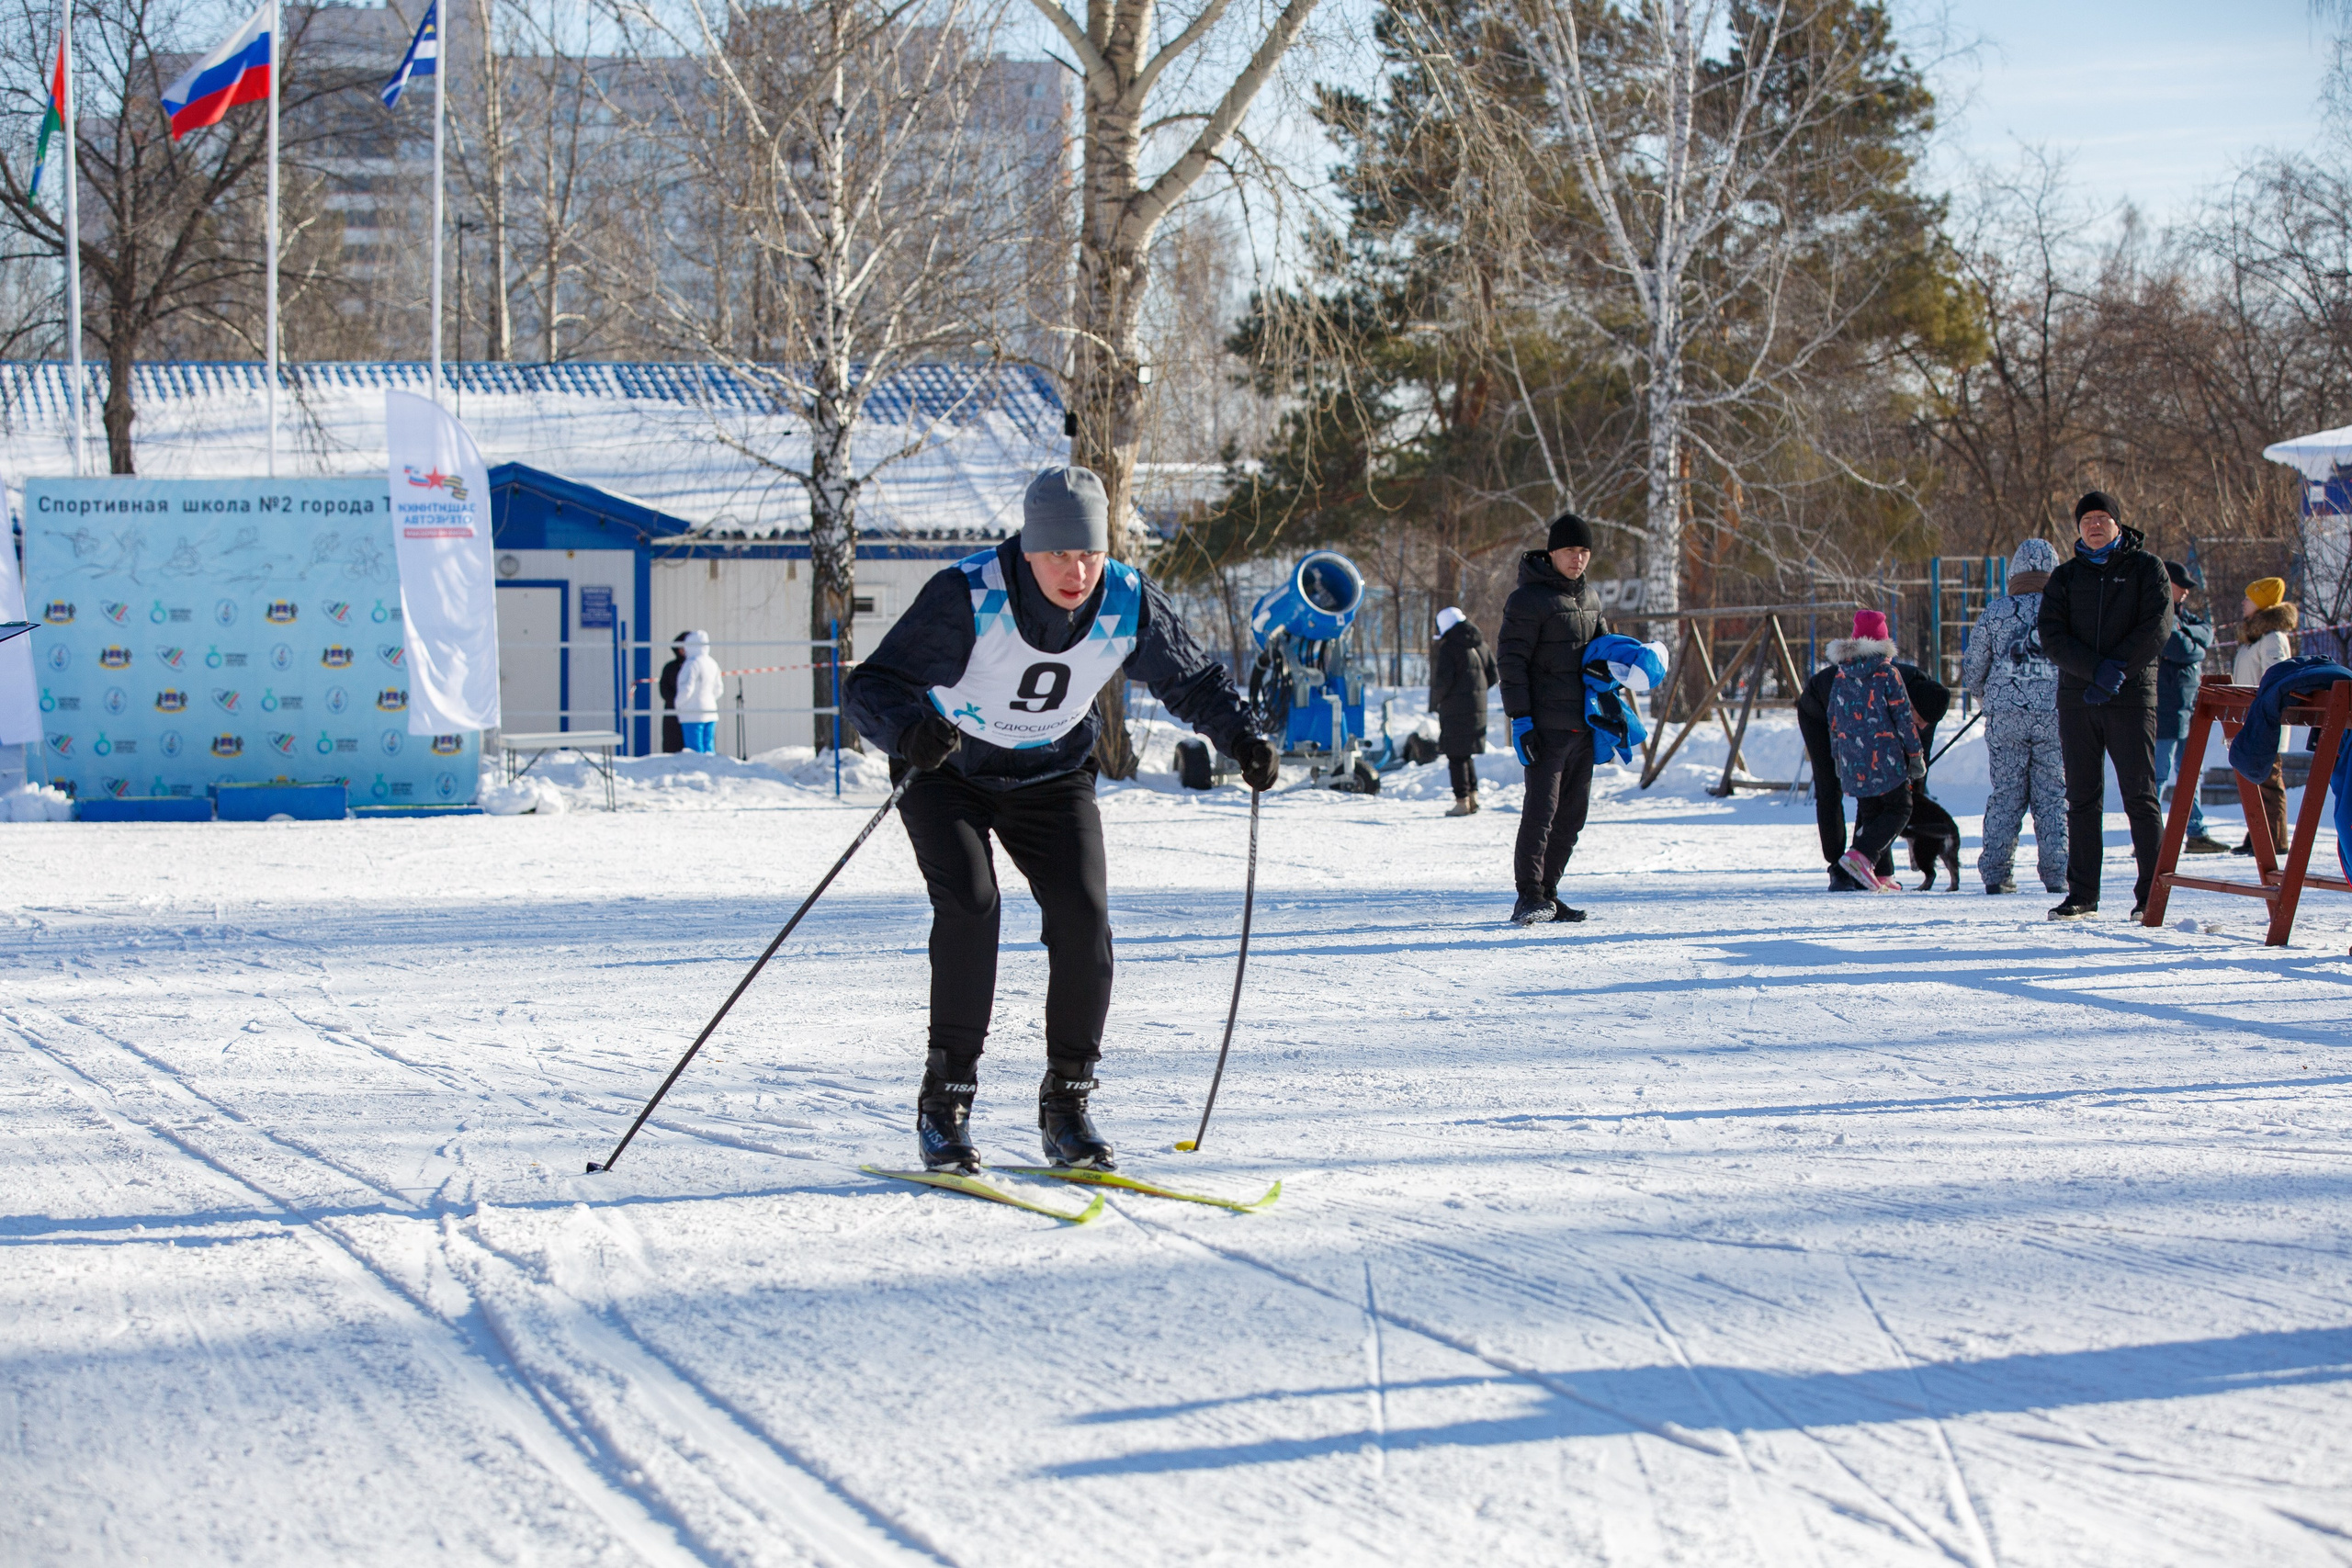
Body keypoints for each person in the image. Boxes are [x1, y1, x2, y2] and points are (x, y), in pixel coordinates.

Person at [842, 466, 1277, 1175]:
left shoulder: (1127, 600)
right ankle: (945, 1104)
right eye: (1058, 554)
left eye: (1090, 553)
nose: (1076, 571)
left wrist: (1243, 737)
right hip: (948, 773)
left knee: (1083, 915)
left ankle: (1067, 1105)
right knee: (972, 905)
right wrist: (907, 731)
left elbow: (1192, 679)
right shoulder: (970, 595)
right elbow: (873, 685)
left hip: (1049, 775)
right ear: (1027, 546)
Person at [2038, 490, 2173, 920]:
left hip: (2132, 697)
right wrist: (2095, 670)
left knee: (2139, 795)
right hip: (2078, 699)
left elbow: (2157, 626)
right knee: (2081, 798)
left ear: (2118, 523)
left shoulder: (2145, 568)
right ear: (2077, 528)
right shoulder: (2064, 577)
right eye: (2086, 519)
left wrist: (2118, 669)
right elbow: (2052, 636)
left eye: (2102, 518)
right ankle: (2082, 894)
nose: (2094, 525)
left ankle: (2150, 894)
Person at [1498, 512, 1607, 926]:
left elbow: (1602, 652)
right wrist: (1520, 719)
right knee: (1541, 811)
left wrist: (1623, 668)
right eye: (1569, 551)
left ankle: (1549, 892)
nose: (1577, 559)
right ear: (1551, 552)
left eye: (1583, 551)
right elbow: (1511, 661)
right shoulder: (1527, 600)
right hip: (1544, 726)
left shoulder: (1591, 599)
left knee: (1572, 814)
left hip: (1584, 724)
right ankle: (1528, 895)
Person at [1961, 537, 2068, 894]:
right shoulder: (2065, 609)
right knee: (2053, 795)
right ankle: (2059, 873)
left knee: (2006, 792)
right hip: (2056, 714)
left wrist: (1985, 696)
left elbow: (1974, 666)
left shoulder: (1996, 612)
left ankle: (1996, 872)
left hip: (2005, 716)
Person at [1826, 610, 1923, 893]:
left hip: (1853, 758)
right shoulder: (1886, 673)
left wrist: (1838, 760)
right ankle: (1862, 855)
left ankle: (1882, 873)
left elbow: (1834, 720)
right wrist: (1915, 755)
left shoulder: (1841, 675)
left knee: (1871, 811)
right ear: (1883, 642)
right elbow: (1903, 718)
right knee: (1900, 807)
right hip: (1886, 757)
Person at [2154, 560, 2226, 855]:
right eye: (2179, 585)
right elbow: (2179, 648)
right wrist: (2194, 645)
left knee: (2190, 772)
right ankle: (2151, 834)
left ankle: (2195, 832)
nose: (2185, 592)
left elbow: (2207, 633)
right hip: (2164, 706)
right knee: (2159, 773)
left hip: (2189, 706)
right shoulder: (2154, 612)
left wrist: (2191, 639)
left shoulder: (2182, 615)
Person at [2231, 575, 2299, 855]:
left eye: (2249, 597)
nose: (2244, 602)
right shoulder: (2255, 636)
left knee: (2269, 781)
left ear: (2261, 602)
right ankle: (2257, 837)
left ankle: (2275, 841)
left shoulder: (2272, 638)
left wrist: (2268, 712)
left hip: (2266, 720)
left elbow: (2278, 678)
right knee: (2254, 780)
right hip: (2250, 719)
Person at [1429, 605, 1498, 816]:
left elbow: (1443, 682)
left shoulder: (1450, 648)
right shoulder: (1481, 644)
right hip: (1478, 708)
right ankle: (1473, 798)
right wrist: (1477, 693)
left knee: (1456, 756)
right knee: (1466, 755)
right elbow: (1493, 675)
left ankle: (1461, 802)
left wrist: (1434, 703)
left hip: (1455, 709)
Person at [674, 630, 722, 754]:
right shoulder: (712, 663)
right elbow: (718, 689)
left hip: (692, 713)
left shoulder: (691, 664)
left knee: (695, 752)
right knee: (709, 748)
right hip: (710, 711)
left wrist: (678, 704)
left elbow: (686, 689)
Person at [658, 632, 688, 753]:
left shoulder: (694, 666)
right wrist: (676, 702)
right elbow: (664, 689)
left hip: (691, 712)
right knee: (672, 745)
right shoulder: (670, 667)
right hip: (672, 713)